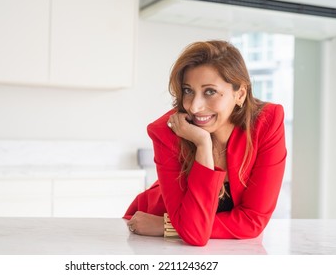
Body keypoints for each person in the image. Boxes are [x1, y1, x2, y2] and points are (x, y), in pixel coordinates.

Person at [123, 40, 287, 246]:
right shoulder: (166, 131)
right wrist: (203, 144)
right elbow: (194, 236)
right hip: (147, 235)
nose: (194, 106)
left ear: (240, 94)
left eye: (209, 91)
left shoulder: (267, 122)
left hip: (161, 228)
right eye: (188, 91)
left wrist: (165, 227)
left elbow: (252, 221)